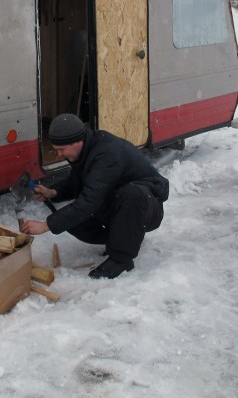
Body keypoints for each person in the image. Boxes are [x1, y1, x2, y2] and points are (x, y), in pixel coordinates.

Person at [19, 113, 169, 279]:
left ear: (78, 141)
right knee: (72, 219)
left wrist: (46, 225)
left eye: (61, 150)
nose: (59, 155)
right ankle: (119, 239)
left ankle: (121, 259)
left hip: (147, 208)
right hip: (120, 204)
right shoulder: (86, 149)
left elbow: (90, 200)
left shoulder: (106, 154)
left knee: (129, 194)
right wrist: (53, 192)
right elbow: (80, 182)